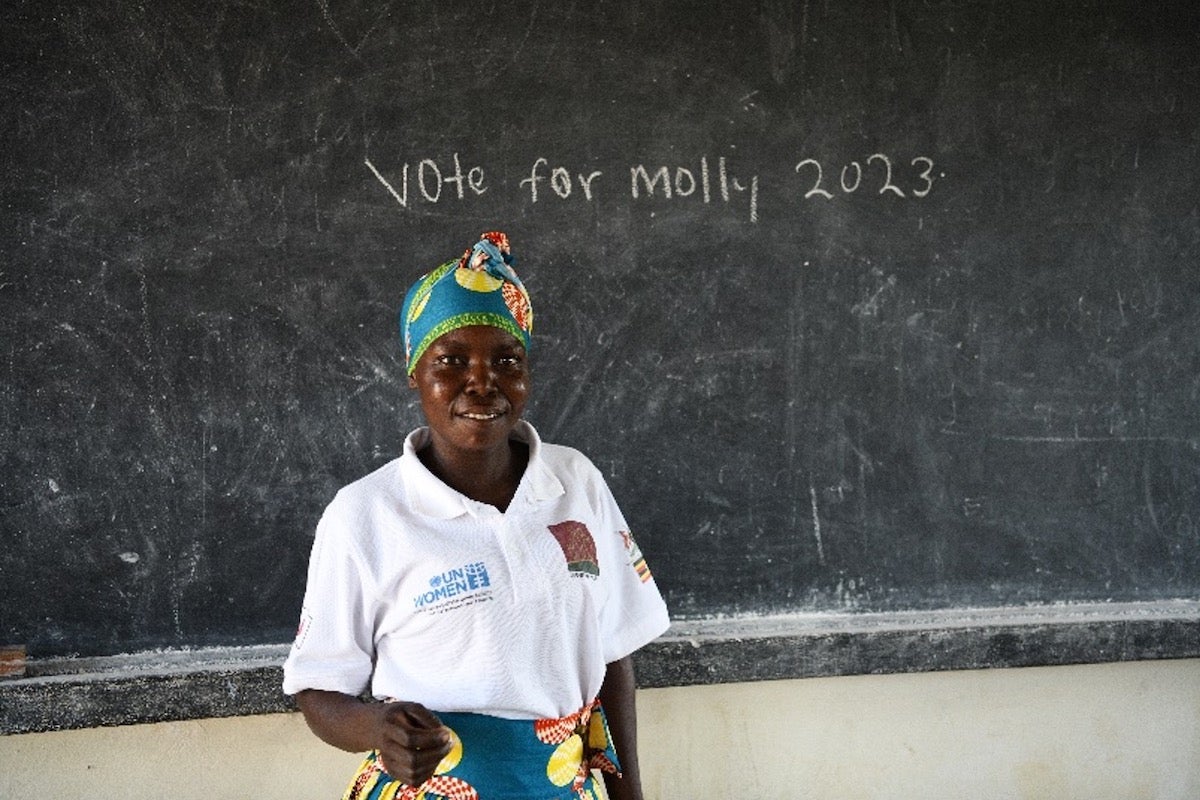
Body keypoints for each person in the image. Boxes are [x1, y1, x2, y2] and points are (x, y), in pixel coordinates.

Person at [282, 231, 671, 800]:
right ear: (415, 371)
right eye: (452, 360)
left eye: (506, 360)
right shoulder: (364, 514)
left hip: (564, 786)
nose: (482, 381)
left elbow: (612, 654)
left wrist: (631, 795)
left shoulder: (574, 485)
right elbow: (318, 690)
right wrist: (376, 727)